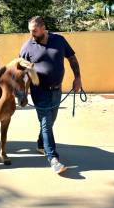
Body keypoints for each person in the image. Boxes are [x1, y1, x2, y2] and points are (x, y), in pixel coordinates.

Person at [19, 16, 83, 174]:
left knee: (50, 121)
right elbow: (23, 72)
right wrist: (24, 93)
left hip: (57, 89)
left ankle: (41, 144)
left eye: (34, 31)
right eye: (30, 31)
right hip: (38, 90)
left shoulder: (59, 40)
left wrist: (78, 78)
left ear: (43, 27)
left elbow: (72, 58)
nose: (32, 34)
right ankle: (53, 158)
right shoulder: (27, 47)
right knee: (46, 123)